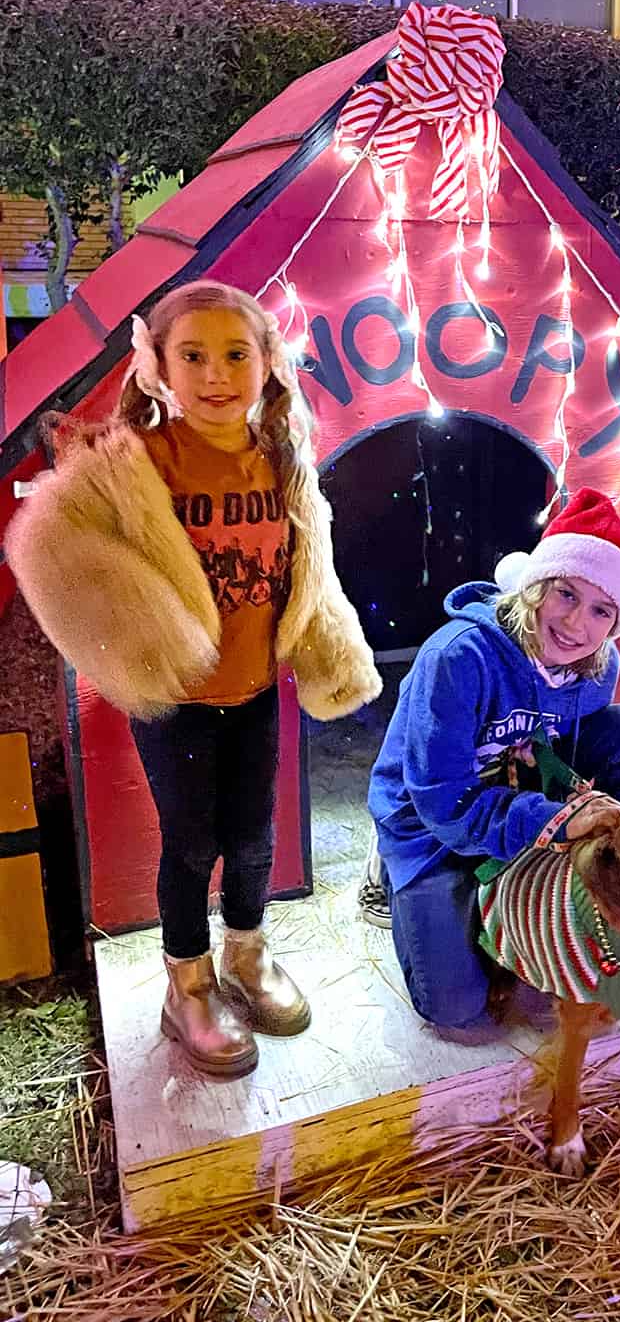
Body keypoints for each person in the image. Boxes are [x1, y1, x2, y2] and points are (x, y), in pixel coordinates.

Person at [7, 281, 380, 1077]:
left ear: (267, 363)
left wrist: (324, 642)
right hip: (177, 700)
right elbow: (52, 552)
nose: (217, 376)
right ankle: (187, 982)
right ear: (159, 369)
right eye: (194, 357)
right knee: (191, 842)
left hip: (254, 690)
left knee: (253, 838)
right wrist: (132, 639)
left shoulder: (280, 455)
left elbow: (309, 564)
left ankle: (247, 954)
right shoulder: (136, 462)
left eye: (236, 355)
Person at [367, 487, 620, 1028]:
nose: (577, 625)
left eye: (602, 611)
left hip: (515, 798)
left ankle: (605, 869)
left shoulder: (598, 664)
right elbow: (442, 799)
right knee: (456, 1010)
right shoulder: (459, 658)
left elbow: (560, 748)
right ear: (536, 587)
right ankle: (391, 874)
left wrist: (575, 806)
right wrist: (553, 820)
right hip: (432, 821)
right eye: (566, 595)